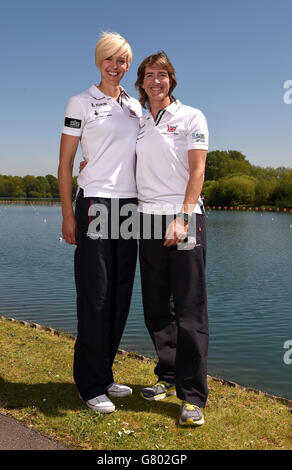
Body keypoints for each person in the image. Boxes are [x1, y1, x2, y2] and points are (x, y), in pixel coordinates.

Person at [58, 32, 142, 413]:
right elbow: (64, 164)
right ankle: (88, 383)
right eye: (109, 59)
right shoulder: (80, 102)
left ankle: (104, 372)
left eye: (122, 61)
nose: (115, 66)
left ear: (128, 65)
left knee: (119, 295)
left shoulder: (135, 106)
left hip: (129, 207)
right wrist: (66, 214)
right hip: (93, 204)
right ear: (98, 61)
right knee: (95, 295)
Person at [135, 52, 209, 426]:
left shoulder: (191, 117)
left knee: (189, 309)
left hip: (183, 219)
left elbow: (198, 169)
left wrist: (182, 216)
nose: (155, 81)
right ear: (142, 82)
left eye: (162, 75)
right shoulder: (141, 121)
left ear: (171, 79)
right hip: (146, 220)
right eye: (149, 75)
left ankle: (192, 396)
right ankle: (167, 375)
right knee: (156, 305)